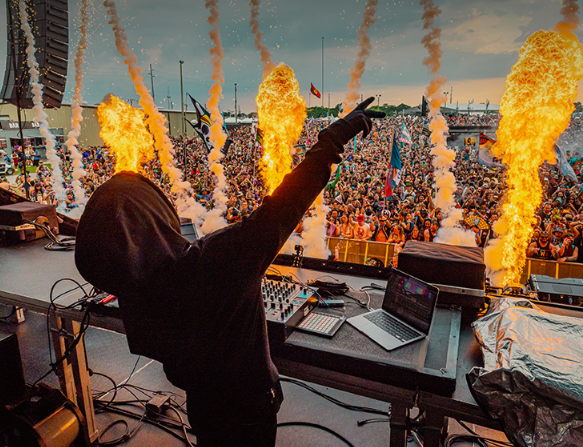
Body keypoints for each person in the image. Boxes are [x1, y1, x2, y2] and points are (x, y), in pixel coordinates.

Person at [74, 98, 384, 447]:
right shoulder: (215, 260)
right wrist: (333, 138)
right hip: (249, 409)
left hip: (203, 405)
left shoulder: (131, 282)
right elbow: (285, 204)